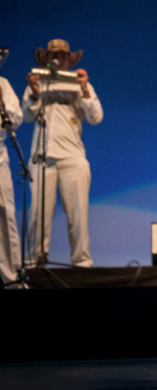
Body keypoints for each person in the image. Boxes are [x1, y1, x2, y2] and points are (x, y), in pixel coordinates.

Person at [22, 39, 103, 267]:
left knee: (78, 215)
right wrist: (34, 93)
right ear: (46, 59)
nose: (58, 59)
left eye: (63, 55)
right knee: (38, 216)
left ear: (70, 59)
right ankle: (34, 265)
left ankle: (82, 264)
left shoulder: (79, 84)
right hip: (42, 157)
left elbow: (96, 117)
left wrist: (85, 89)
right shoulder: (37, 82)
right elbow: (27, 117)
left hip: (73, 157)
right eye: (53, 55)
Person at [0, 75, 23, 285]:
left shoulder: (2, 83)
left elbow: (16, 118)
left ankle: (12, 280)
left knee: (5, 217)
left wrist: (2, 104)